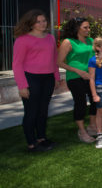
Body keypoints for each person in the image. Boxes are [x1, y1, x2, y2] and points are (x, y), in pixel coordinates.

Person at [12, 10, 60, 152]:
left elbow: (54, 59)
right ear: (31, 23)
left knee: (43, 111)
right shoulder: (23, 39)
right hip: (31, 78)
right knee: (31, 112)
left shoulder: (50, 38)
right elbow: (17, 64)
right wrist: (22, 86)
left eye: (44, 20)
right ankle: (31, 143)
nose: (42, 24)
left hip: (48, 79)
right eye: (38, 21)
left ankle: (41, 138)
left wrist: (56, 77)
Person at [57, 17, 97, 143]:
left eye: (88, 27)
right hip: (75, 78)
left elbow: (95, 57)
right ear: (76, 28)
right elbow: (59, 62)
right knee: (81, 104)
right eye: (85, 27)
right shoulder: (68, 42)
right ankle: (82, 131)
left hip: (90, 77)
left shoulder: (90, 41)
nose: (88, 30)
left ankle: (92, 126)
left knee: (95, 100)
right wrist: (78, 71)